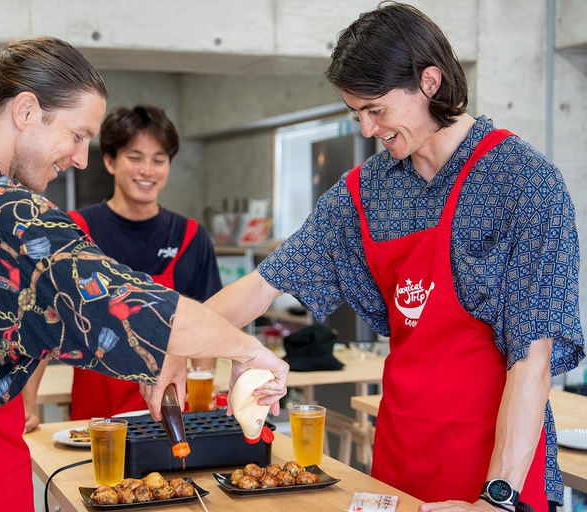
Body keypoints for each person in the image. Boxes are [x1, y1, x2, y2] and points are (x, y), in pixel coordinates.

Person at [0, 36, 288, 512]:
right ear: (26, 110)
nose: (81, 159)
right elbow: (139, 311)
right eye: (78, 135)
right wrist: (250, 351)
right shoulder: (6, 214)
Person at [204, 3, 584, 511]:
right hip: (401, 455)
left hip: (499, 470)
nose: (366, 130)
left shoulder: (524, 183)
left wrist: (495, 500)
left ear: (430, 82)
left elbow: (533, 358)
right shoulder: (365, 192)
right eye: (356, 113)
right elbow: (265, 282)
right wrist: (173, 347)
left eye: (376, 110)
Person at [22, 105, 222, 427]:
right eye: (135, 157)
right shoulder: (73, 230)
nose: (147, 170)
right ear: (110, 161)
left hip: (171, 418)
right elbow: (44, 320)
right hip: (96, 423)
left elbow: (206, 327)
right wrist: (28, 406)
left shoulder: (190, 237)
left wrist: (202, 404)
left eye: (159, 160)